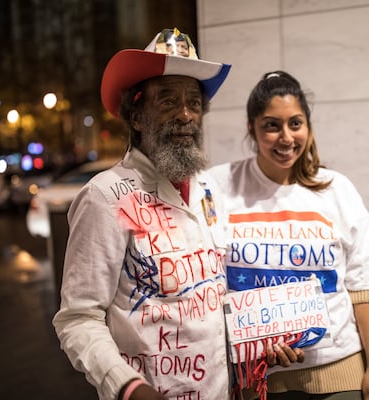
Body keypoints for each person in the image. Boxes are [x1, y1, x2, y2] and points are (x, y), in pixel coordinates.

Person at [52, 28, 233, 400]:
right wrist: (127, 387)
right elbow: (78, 319)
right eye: (168, 102)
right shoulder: (105, 196)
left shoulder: (208, 190)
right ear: (136, 117)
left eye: (194, 103)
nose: (185, 115)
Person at [208, 71, 369, 400]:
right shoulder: (217, 186)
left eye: (295, 123)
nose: (286, 137)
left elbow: (364, 285)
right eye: (271, 125)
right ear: (252, 128)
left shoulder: (338, 189)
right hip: (254, 377)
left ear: (307, 125)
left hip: (337, 370)